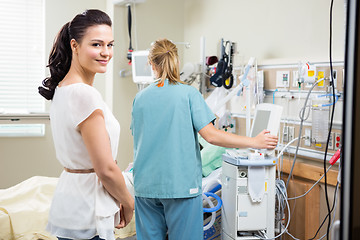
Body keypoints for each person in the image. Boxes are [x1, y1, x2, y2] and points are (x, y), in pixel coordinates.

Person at [130, 38, 278, 240]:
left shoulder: (140, 98)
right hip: (180, 187)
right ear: (177, 62)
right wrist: (254, 142)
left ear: (151, 63)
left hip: (145, 186)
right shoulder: (187, 94)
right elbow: (211, 135)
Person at [38, 9, 134, 240]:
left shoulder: (62, 89)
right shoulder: (83, 95)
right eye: (97, 44)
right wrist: (129, 203)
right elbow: (106, 169)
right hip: (88, 210)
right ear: (75, 45)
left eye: (110, 45)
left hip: (71, 205)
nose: (106, 53)